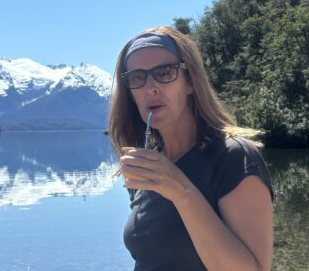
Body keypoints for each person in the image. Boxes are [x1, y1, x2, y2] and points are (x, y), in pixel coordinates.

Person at [110, 26, 274, 271]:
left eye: (165, 72)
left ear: (190, 82)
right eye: (137, 77)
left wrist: (181, 191)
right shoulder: (149, 166)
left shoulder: (234, 157)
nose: (150, 87)